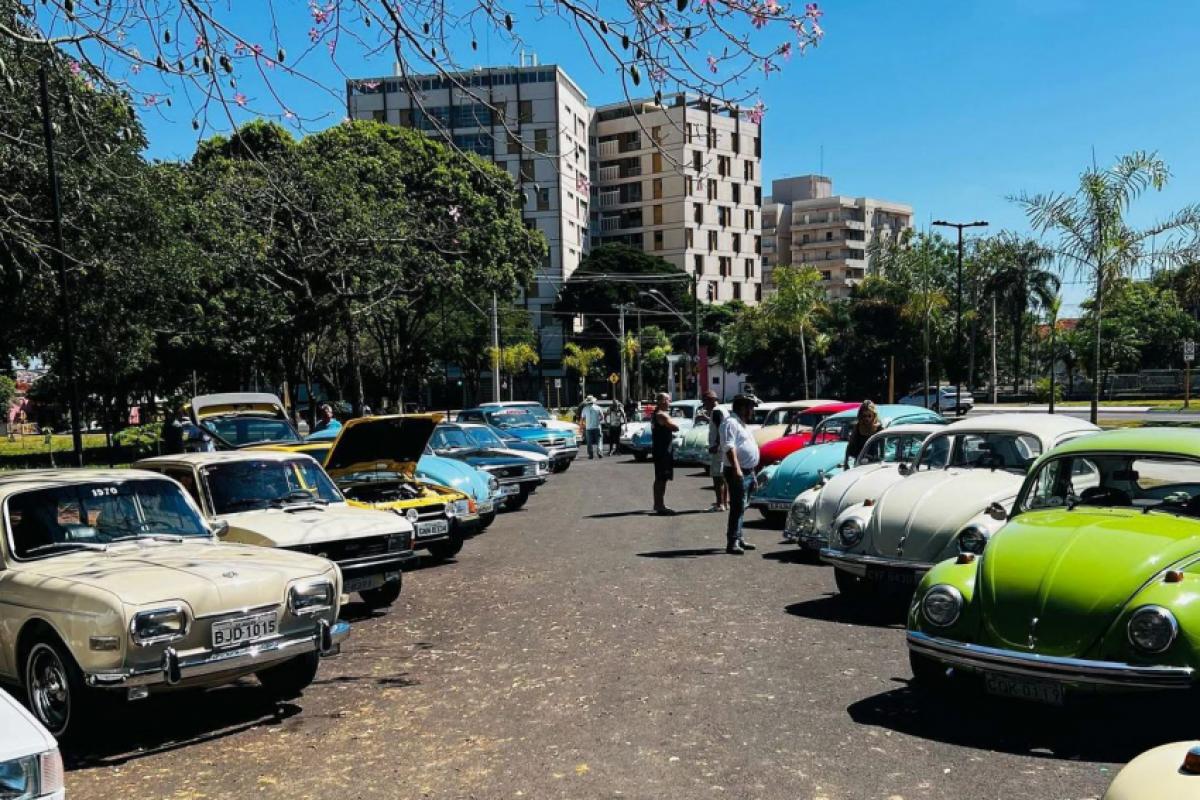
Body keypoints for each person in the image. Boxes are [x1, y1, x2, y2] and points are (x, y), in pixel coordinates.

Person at [720, 394, 760, 554]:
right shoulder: (731, 423)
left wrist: (752, 473)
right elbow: (729, 447)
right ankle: (733, 541)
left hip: (747, 470)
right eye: (750, 407)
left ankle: (739, 537)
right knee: (737, 506)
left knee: (742, 506)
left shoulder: (741, 423)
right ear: (742, 407)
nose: (752, 411)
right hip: (737, 471)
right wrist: (737, 469)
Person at [650, 392, 678, 514]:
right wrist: (670, 421)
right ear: (662, 401)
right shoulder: (661, 415)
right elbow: (675, 427)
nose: (669, 403)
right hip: (662, 451)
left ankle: (659, 503)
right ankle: (659, 504)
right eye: (668, 400)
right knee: (661, 478)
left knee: (662, 478)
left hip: (663, 449)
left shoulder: (659, 414)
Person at [701, 390, 728, 512]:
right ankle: (725, 503)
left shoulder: (716, 411)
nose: (705, 405)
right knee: (723, 476)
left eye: (705, 402)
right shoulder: (722, 410)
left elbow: (720, 428)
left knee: (717, 477)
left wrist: (716, 444)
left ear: (711, 400)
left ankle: (719, 504)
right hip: (724, 447)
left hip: (719, 448)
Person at [844, 400, 882, 469]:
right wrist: (846, 462)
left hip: (875, 463)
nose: (867, 419)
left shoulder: (879, 428)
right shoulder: (858, 427)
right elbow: (850, 446)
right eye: (864, 416)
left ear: (874, 415)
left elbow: (883, 448)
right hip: (860, 463)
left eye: (869, 416)